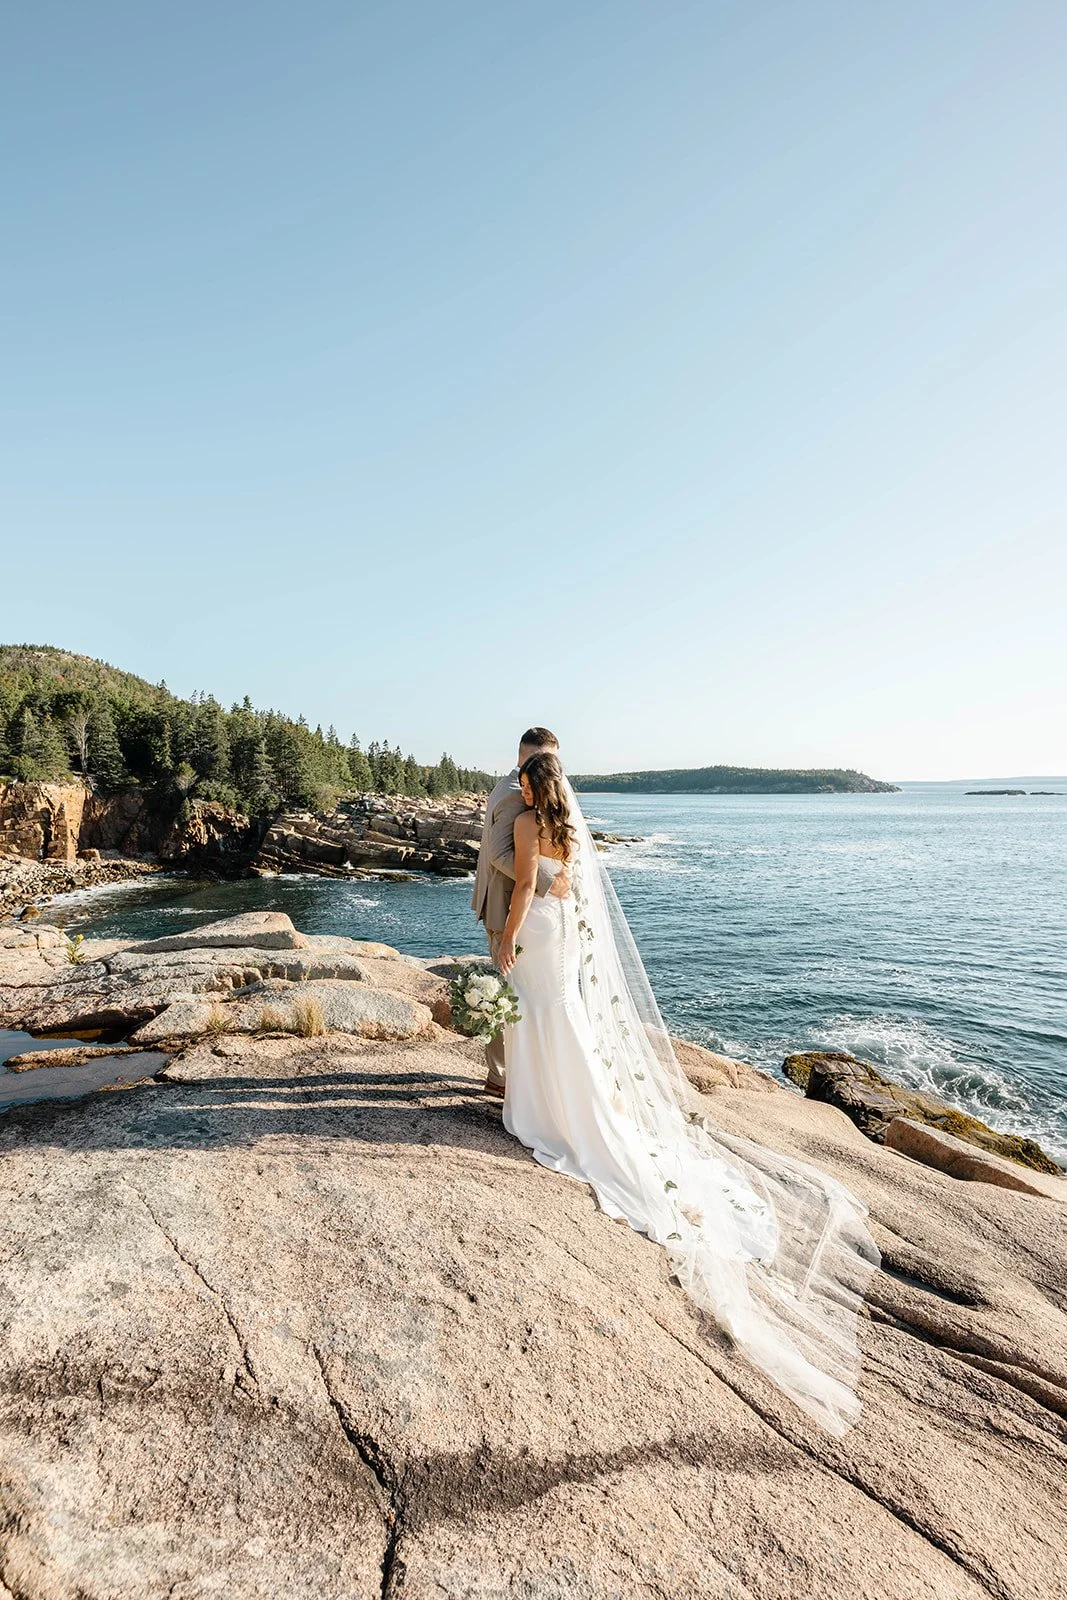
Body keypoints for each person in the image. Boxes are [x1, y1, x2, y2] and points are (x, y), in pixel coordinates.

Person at [495, 749, 881, 1436]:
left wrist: (507, 939)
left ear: (531, 781)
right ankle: (562, 1108)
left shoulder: (526, 822)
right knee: (563, 1018)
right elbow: (567, 884)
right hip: (568, 942)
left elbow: (526, 884)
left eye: (522, 774)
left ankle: (548, 1115)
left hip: (540, 933)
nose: (518, 781)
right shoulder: (571, 826)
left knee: (542, 1016)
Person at [470, 727, 572, 1097]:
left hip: (525, 910)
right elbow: (500, 854)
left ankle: (518, 1076)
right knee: (511, 994)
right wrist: (551, 880)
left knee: (526, 992)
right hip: (508, 905)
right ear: (530, 756)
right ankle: (501, 1079)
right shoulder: (517, 792)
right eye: (551, 758)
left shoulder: (511, 784)